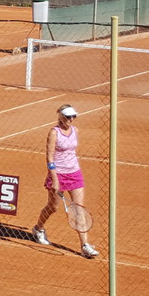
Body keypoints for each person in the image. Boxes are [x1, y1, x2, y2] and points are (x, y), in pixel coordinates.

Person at [31, 105, 98, 258]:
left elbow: (72, 151)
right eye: (68, 117)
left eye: (74, 116)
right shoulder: (53, 133)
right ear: (61, 117)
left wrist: (72, 166)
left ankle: (85, 245)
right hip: (58, 174)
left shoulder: (75, 130)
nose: (71, 119)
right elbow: (49, 157)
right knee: (52, 207)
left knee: (79, 208)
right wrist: (54, 179)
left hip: (75, 173)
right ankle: (38, 228)